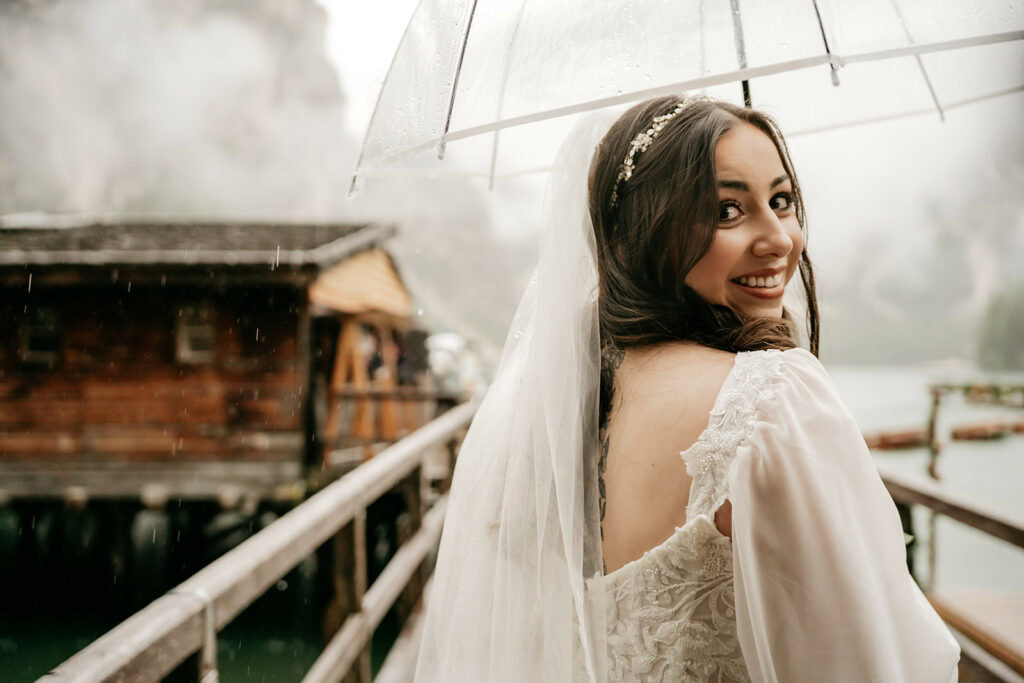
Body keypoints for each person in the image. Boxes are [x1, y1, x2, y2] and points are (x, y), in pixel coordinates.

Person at [412, 95, 961, 682]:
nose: (778, 238)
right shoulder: (771, 398)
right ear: (651, 230)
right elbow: (878, 663)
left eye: (781, 200)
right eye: (728, 210)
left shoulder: (585, 394)